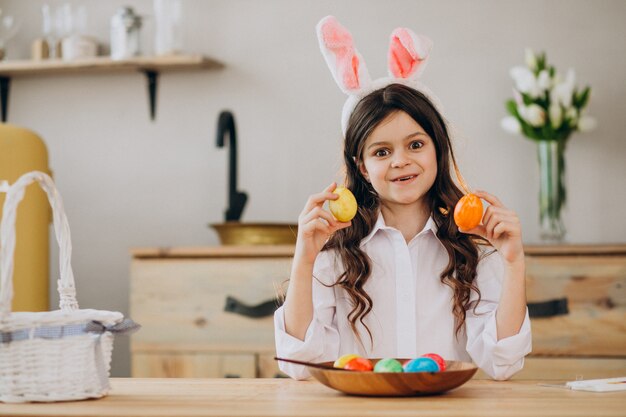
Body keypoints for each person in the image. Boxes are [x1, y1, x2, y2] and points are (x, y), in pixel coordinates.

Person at [274, 16, 531, 380]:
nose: (400, 161)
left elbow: (501, 363)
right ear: (361, 167)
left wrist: (514, 262)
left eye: (415, 144)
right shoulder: (332, 253)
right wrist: (304, 258)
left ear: (437, 150)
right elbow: (297, 363)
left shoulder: (474, 250)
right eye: (381, 152)